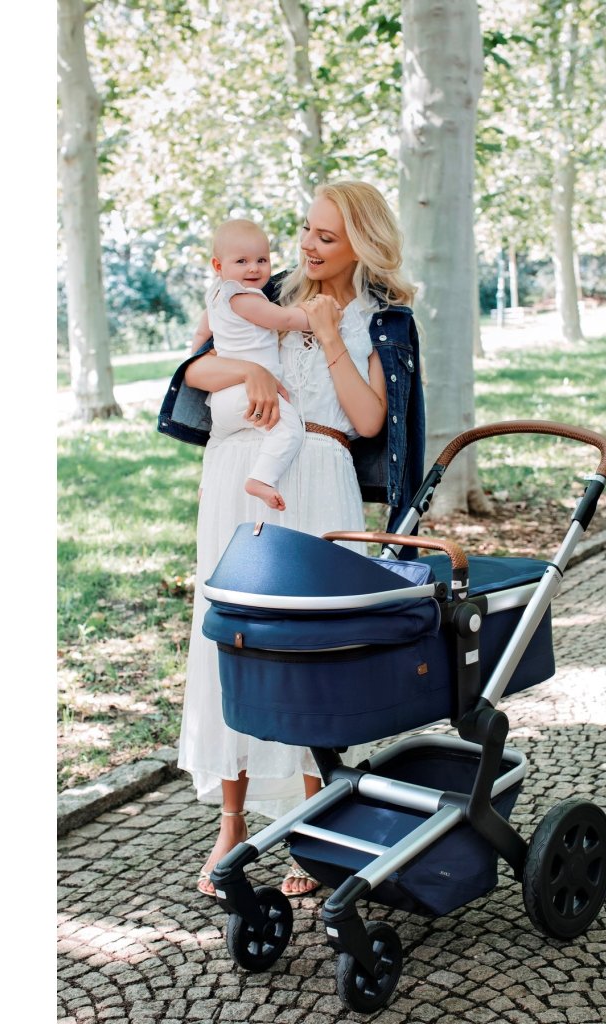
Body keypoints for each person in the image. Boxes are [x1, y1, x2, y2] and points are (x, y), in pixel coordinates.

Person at [172, 181, 424, 898]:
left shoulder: (384, 320)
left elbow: (369, 421)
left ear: (361, 246)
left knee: (318, 647)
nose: (308, 245)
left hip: (321, 472)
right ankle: (230, 825)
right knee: (233, 636)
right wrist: (251, 368)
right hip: (241, 470)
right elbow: (193, 370)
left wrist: (329, 334)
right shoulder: (260, 289)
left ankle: (314, 824)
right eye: (307, 230)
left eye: (326, 237)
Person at [194, 218, 315, 511]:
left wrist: (197, 355)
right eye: (242, 261)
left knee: (217, 439)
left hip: (222, 398)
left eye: (262, 260)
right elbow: (283, 319)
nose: (253, 269)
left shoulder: (215, 296)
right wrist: (315, 317)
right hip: (250, 393)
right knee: (289, 429)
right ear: (218, 265)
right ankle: (261, 479)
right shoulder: (243, 297)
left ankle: (206, 485)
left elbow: (201, 334)